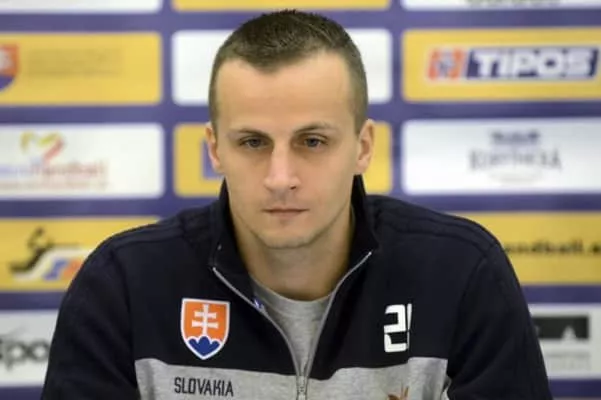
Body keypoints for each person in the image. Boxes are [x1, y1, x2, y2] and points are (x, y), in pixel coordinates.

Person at [42, 9, 552, 399]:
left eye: (312, 141)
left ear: (363, 147)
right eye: (252, 142)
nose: (280, 178)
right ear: (214, 149)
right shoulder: (124, 286)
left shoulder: (459, 274)